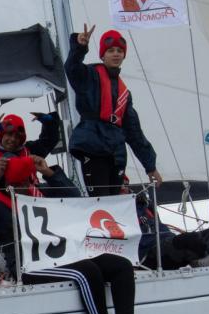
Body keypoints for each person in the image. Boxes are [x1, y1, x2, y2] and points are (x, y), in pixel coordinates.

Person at [0, 155, 156, 314]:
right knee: (87, 272)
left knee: (121, 265)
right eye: (16, 183)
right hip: (29, 265)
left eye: (25, 181)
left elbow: (75, 198)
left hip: (63, 254)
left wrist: (48, 172)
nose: (22, 187)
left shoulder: (40, 194)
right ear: (7, 184)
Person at [65, 24, 163, 196]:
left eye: (119, 50)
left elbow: (134, 132)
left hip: (116, 152)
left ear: (124, 55)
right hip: (93, 145)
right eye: (110, 51)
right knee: (101, 200)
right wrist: (79, 47)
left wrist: (150, 166)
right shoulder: (89, 75)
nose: (116, 54)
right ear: (102, 55)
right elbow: (71, 68)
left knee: (115, 200)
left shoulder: (124, 93)